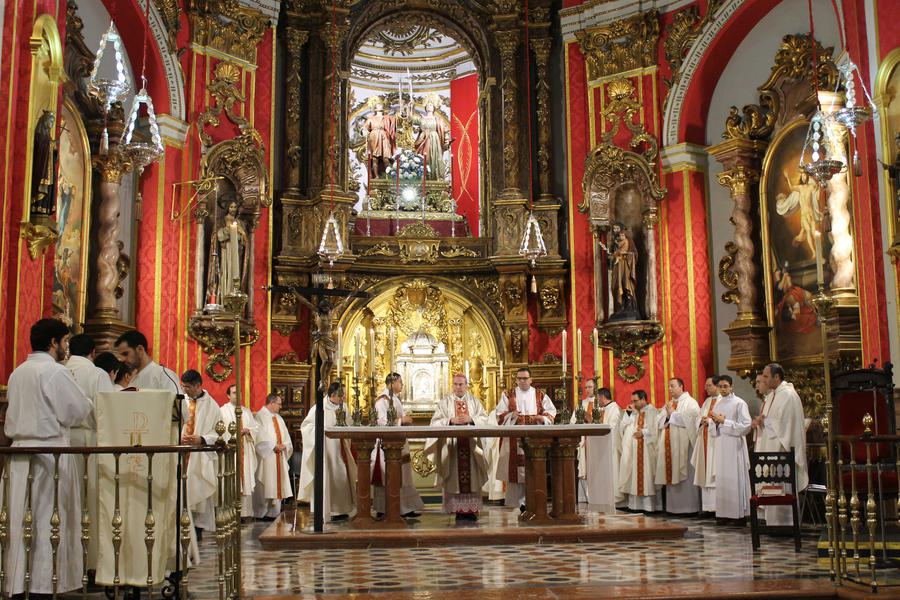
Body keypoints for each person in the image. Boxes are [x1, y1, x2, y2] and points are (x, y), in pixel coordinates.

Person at [4, 318, 93, 597]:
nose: (67, 347)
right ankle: (44, 583)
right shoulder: (54, 372)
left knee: (19, 520)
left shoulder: (18, 372)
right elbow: (77, 410)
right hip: (49, 454)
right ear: (53, 342)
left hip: (19, 454)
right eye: (65, 341)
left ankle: (17, 582)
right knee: (47, 520)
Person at [425, 374, 489, 520]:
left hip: (471, 447)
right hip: (453, 448)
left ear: (467, 385)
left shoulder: (474, 402)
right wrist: (450, 420)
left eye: (461, 384)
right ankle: (457, 510)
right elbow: (435, 422)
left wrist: (472, 419)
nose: (458, 387)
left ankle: (471, 510)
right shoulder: (445, 403)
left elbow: (485, 419)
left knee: (472, 476)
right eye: (455, 384)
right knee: (453, 476)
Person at [754, 363, 808, 525]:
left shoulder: (788, 395)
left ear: (776, 377)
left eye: (765, 376)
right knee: (772, 486)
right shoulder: (774, 395)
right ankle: (774, 524)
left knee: (782, 486)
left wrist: (766, 422)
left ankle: (785, 524)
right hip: (772, 449)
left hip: (783, 450)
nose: (763, 379)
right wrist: (762, 422)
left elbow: (786, 424)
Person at [496, 367, 557, 509]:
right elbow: (499, 414)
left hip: (534, 440)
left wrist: (542, 417)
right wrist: (512, 415)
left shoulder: (540, 395)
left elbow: (551, 412)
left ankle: (533, 501)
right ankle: (518, 504)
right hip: (514, 440)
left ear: (531, 379)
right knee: (516, 474)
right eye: (519, 378)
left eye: (525, 378)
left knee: (532, 471)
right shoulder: (508, 394)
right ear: (516, 380)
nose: (522, 381)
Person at [298, 382, 357, 521]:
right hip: (326, 449)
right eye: (341, 395)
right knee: (328, 476)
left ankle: (342, 509)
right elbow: (306, 427)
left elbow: (349, 423)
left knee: (342, 476)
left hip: (341, 448)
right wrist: (322, 431)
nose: (344, 398)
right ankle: (328, 510)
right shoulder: (319, 407)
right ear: (333, 395)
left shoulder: (344, 407)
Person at [372, 373, 425, 518]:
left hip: (399, 443)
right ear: (392, 382)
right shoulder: (382, 401)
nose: (402, 385)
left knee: (404, 476)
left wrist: (403, 420)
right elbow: (381, 422)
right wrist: (402, 420)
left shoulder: (394, 399)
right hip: (387, 447)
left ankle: (405, 508)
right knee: (389, 476)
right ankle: (385, 508)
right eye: (400, 382)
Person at [180, 369, 224, 534]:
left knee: (197, 495)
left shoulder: (212, 405)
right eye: (183, 386)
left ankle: (196, 533)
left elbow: (220, 431)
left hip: (199, 454)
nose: (185, 390)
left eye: (188, 387)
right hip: (180, 452)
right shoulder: (180, 400)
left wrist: (203, 438)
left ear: (198, 385)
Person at [708, 375, 752, 522]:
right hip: (721, 443)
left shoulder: (739, 403)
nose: (722, 389)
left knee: (735, 478)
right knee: (723, 478)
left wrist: (724, 421)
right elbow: (715, 424)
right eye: (720, 386)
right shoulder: (718, 404)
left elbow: (746, 426)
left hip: (734, 445)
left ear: (731, 386)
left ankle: (738, 515)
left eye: (725, 386)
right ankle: (724, 514)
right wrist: (715, 423)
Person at [570, 381, 622, 505]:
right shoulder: (582, 404)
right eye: (586, 387)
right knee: (585, 469)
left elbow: (607, 425)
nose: (587, 389)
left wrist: (590, 419)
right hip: (585, 440)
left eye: (590, 387)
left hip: (600, 442)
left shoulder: (604, 406)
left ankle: (598, 496)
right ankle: (586, 497)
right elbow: (573, 422)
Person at [656, 378, 701, 514]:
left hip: (685, 447)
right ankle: (673, 508)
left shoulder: (690, 402)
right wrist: (668, 417)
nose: (669, 389)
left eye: (672, 386)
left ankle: (689, 508)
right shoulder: (669, 403)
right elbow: (659, 420)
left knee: (685, 476)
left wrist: (673, 415)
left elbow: (692, 421)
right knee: (671, 473)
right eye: (669, 386)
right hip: (670, 445)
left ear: (681, 386)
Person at [220, 383, 260, 518]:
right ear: (228, 395)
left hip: (246, 450)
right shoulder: (222, 411)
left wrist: (248, 431)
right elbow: (221, 431)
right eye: (234, 393)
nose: (238, 395)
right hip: (232, 451)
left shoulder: (246, 411)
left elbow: (255, 428)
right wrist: (236, 434)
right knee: (232, 479)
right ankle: (230, 513)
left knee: (245, 480)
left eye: (240, 393)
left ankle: (244, 514)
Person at [618, 390, 661, 512]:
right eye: (632, 401)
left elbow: (656, 429)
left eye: (635, 401)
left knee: (646, 476)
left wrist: (643, 432)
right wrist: (628, 413)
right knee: (634, 475)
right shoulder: (635, 413)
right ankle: (635, 505)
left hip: (647, 449)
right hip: (634, 449)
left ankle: (649, 506)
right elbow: (624, 426)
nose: (633, 403)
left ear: (643, 399)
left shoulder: (652, 411)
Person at [254, 393, 293, 519]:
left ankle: (274, 512)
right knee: (266, 482)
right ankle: (262, 512)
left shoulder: (279, 418)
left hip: (279, 456)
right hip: (267, 456)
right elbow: (258, 437)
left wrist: (285, 445)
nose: (280, 407)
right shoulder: (259, 417)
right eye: (279, 404)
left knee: (277, 483)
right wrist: (273, 446)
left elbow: (286, 437)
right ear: (271, 403)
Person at [115, 330, 181, 395]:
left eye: (125, 354)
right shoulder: (133, 381)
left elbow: (179, 404)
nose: (122, 359)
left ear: (140, 349)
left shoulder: (163, 375)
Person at [691, 376, 721, 516]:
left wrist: (709, 420)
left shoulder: (723, 401)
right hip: (704, 440)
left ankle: (717, 507)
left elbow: (723, 419)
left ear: (717, 385)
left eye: (708, 385)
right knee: (705, 472)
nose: (705, 388)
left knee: (714, 472)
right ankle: (708, 507)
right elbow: (699, 417)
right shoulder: (707, 401)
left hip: (716, 442)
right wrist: (701, 420)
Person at [409, 94, 450, 180]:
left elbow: (446, 131)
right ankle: (425, 176)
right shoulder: (422, 118)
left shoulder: (438, 120)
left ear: (434, 107)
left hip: (434, 140)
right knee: (425, 158)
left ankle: (434, 177)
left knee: (434, 158)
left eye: (431, 105)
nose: (429, 106)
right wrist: (411, 107)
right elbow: (411, 118)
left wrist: (446, 141)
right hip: (423, 140)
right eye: (427, 105)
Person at [364, 96, 396, 179]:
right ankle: (376, 176)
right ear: (375, 107)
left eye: (381, 105)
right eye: (378, 105)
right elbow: (365, 128)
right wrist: (365, 132)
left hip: (383, 137)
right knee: (375, 158)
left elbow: (395, 121)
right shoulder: (371, 118)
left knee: (386, 158)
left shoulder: (387, 118)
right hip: (374, 136)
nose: (380, 106)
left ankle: (388, 176)